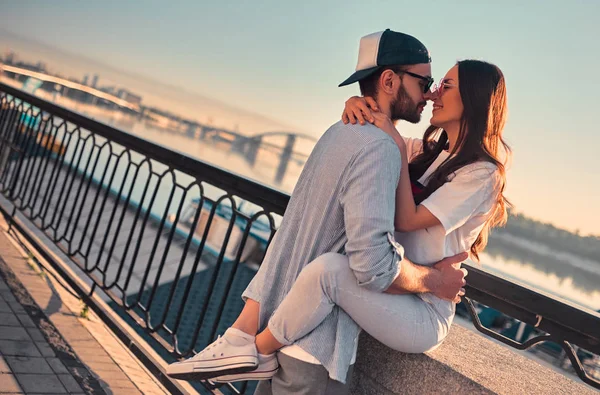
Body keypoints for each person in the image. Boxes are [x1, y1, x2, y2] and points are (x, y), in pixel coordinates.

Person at [167, 29, 481, 394]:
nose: (430, 92)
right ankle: (246, 345)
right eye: (426, 81)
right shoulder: (382, 148)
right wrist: (435, 281)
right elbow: (373, 265)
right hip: (315, 345)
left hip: (286, 324)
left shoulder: (338, 132)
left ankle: (242, 341)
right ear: (390, 80)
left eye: (439, 84)